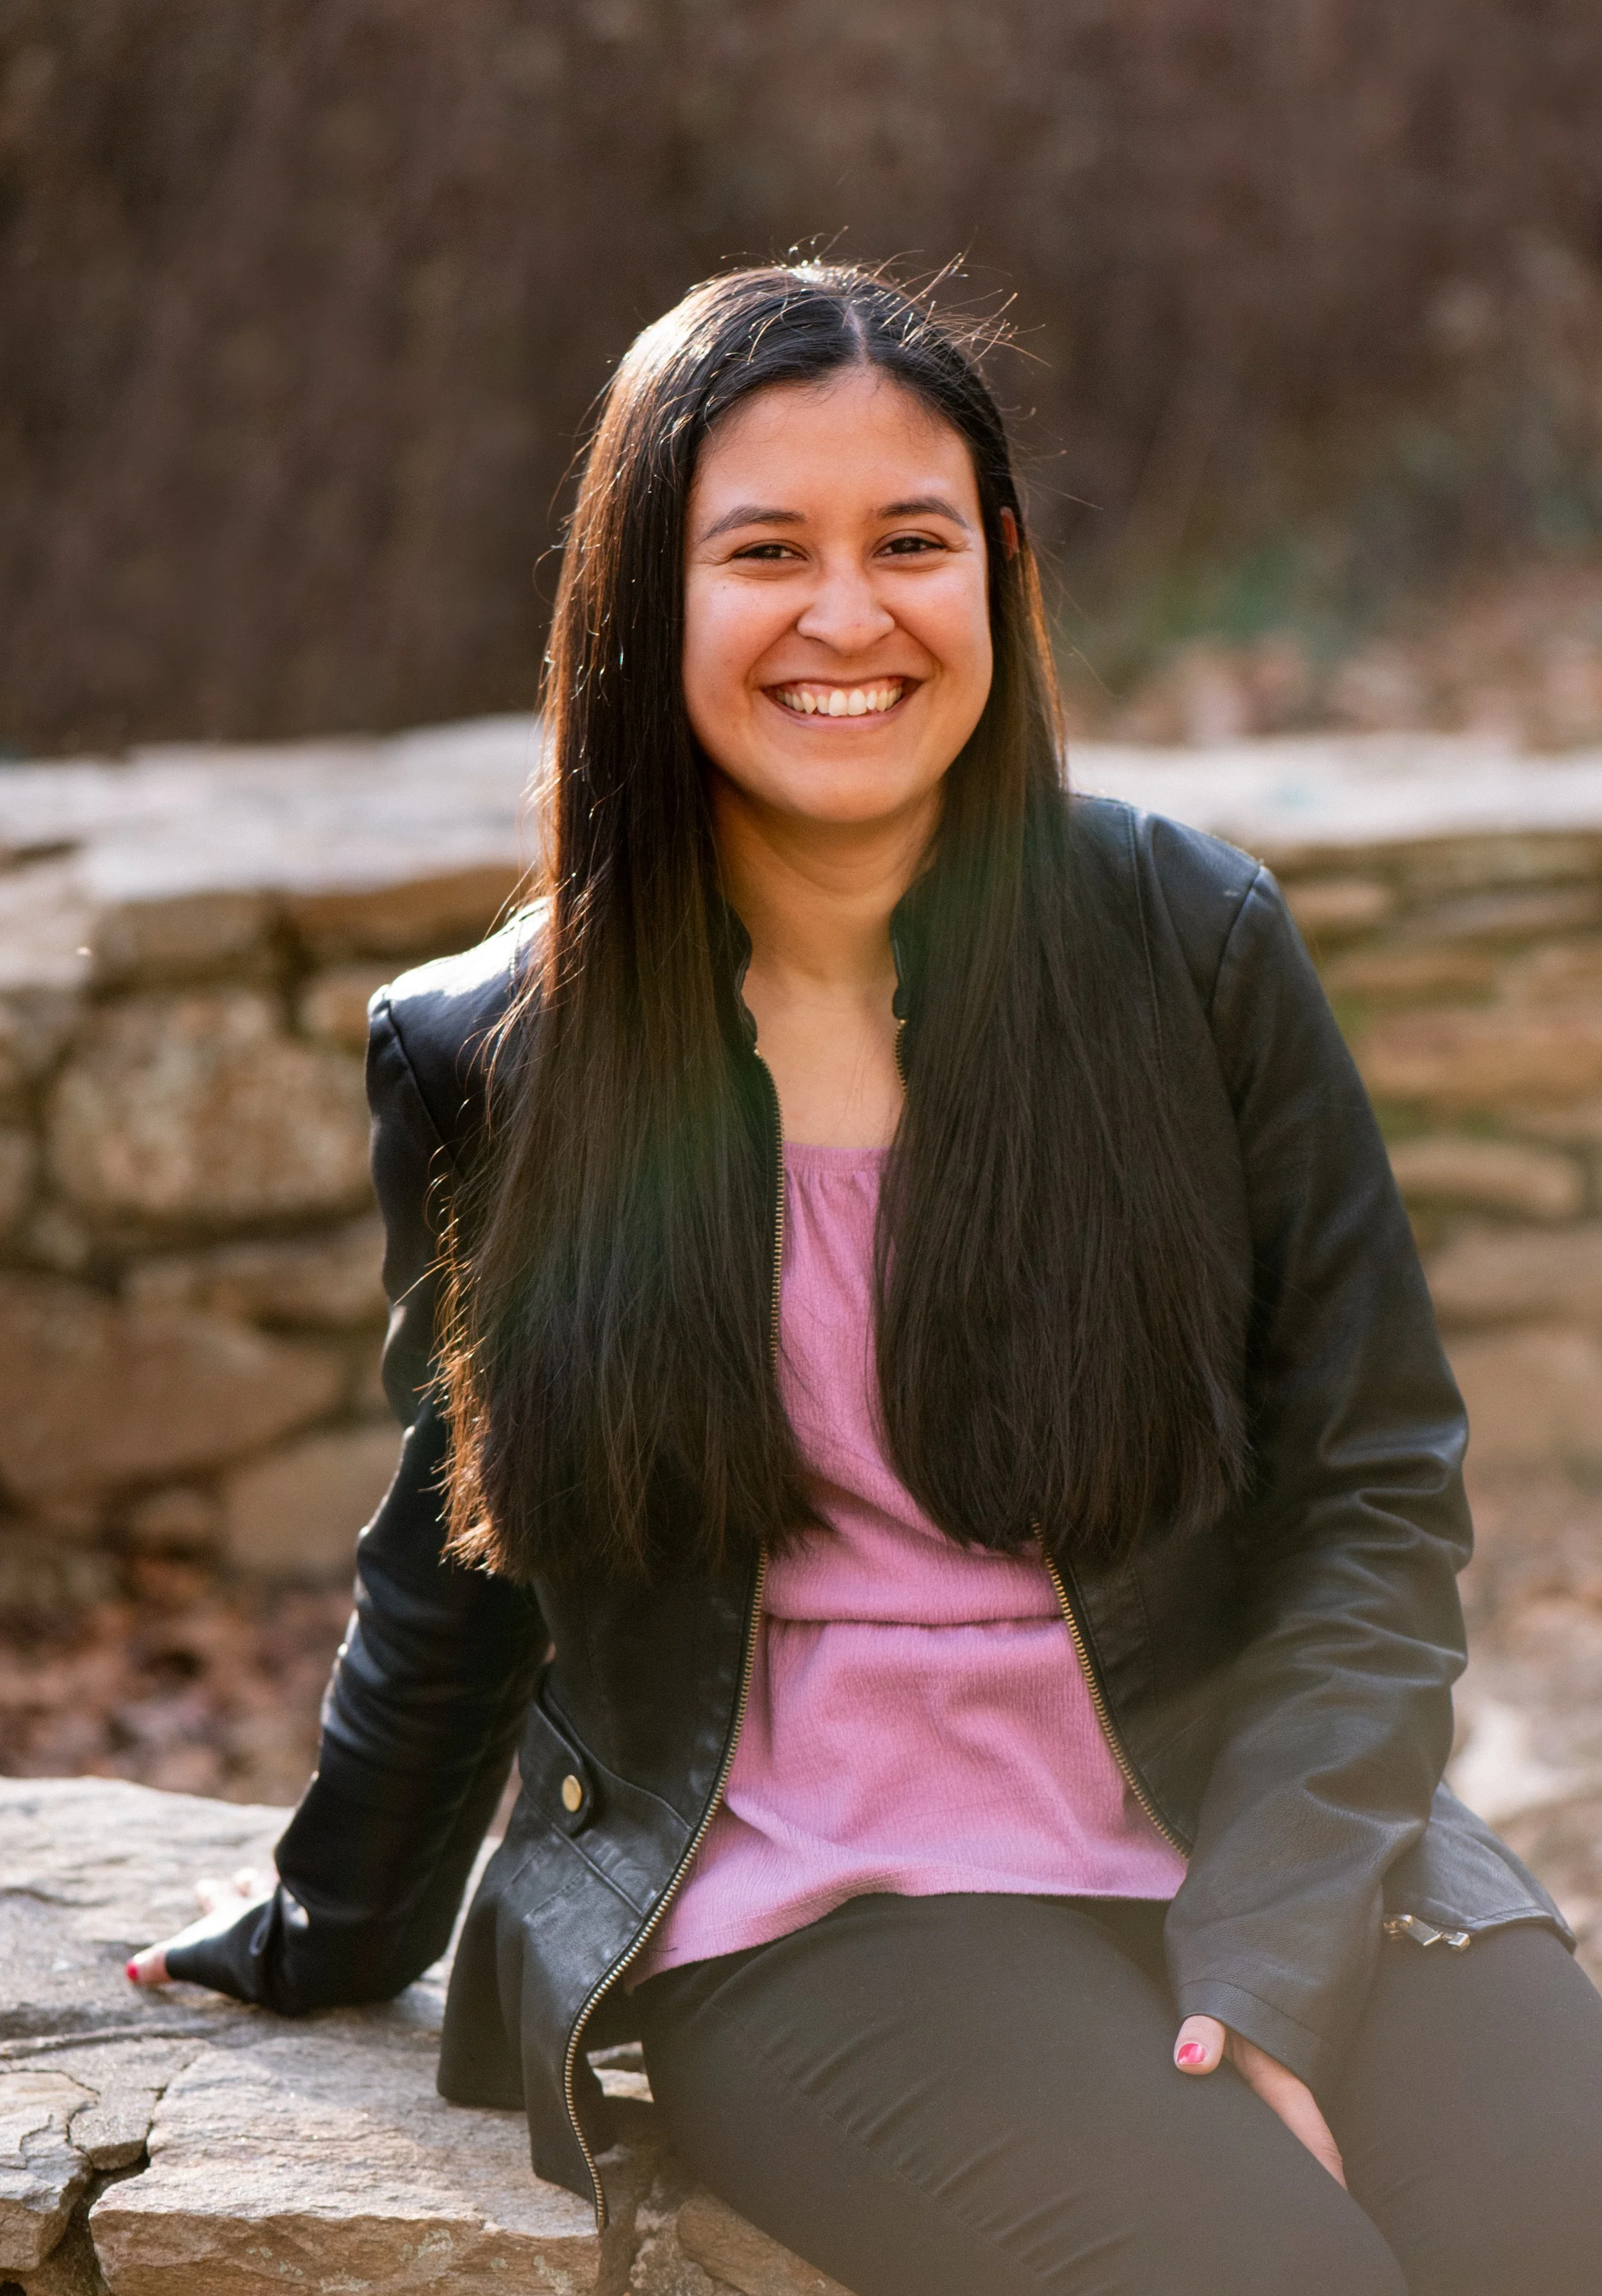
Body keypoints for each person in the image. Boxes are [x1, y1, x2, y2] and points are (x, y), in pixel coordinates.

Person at [129, 263, 1602, 2296]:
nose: (848, 617)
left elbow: (1373, 1484)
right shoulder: (501, 1052)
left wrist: (1266, 1955)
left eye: (910, 544)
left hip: (1232, 1807)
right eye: (765, 554)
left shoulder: (1186, 946)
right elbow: (463, 1532)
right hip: (818, 1898)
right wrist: (328, 1920)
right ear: (647, 603)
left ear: (994, 569)